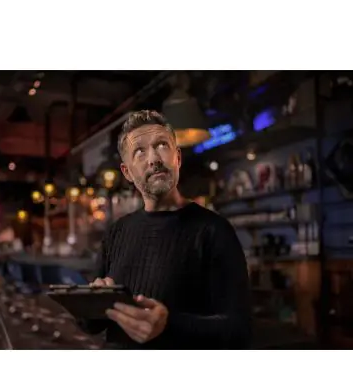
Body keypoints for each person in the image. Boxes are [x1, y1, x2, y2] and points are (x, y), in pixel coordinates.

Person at [86, 110, 251, 349]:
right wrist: (92, 305)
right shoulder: (116, 232)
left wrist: (168, 324)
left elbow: (239, 331)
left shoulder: (214, 231)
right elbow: (91, 325)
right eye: (140, 151)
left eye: (162, 145)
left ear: (178, 158)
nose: (154, 158)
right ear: (127, 172)